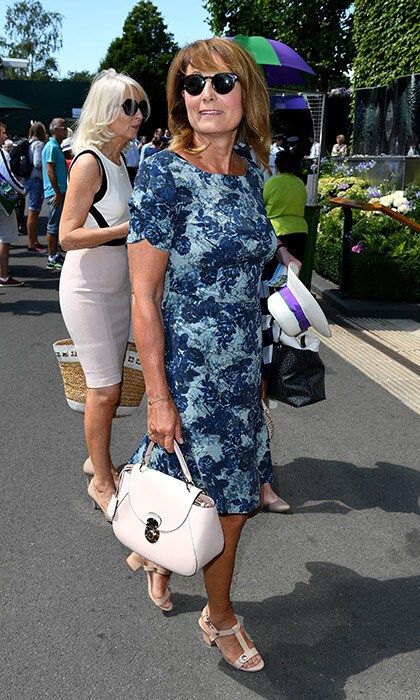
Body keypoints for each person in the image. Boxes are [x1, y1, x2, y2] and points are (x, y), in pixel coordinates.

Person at [128, 37, 280, 672]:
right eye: (193, 85)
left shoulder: (253, 174)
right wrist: (159, 398)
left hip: (242, 372)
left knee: (200, 496)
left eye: (222, 83)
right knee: (230, 509)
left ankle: (161, 556)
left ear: (247, 96)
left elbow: (257, 270)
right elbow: (143, 296)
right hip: (189, 374)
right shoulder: (164, 173)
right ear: (178, 99)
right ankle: (219, 618)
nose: (207, 96)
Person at [59, 69, 149, 520]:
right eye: (128, 107)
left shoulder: (119, 162)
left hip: (116, 289)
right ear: (105, 111)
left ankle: (97, 456)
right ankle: (101, 479)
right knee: (105, 389)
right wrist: (126, 230)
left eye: (141, 107)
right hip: (89, 289)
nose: (137, 116)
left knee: (109, 383)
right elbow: (66, 235)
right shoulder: (91, 160)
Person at [263, 149, 308, 262]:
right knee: (294, 271)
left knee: (273, 274)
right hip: (300, 231)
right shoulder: (300, 182)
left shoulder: (272, 182)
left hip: (277, 231)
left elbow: (260, 203)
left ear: (277, 166)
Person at [0, 121, 26, 286]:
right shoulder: (2, 153)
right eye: (3, 132)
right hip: (2, 201)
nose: (6, 136)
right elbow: (8, 175)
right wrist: (23, 190)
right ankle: (3, 275)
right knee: (4, 238)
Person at [42, 117, 68, 270]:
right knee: (53, 226)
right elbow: (50, 170)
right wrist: (57, 192)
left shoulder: (54, 146)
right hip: (55, 193)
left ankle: (54, 254)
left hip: (57, 191)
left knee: (56, 225)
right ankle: (51, 257)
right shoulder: (52, 147)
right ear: (55, 130)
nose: (66, 130)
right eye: (63, 127)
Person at [25, 121, 48, 253]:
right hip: (37, 179)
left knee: (34, 211)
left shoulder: (29, 143)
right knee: (34, 212)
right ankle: (31, 243)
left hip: (30, 179)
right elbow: (37, 162)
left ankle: (34, 241)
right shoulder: (38, 144)